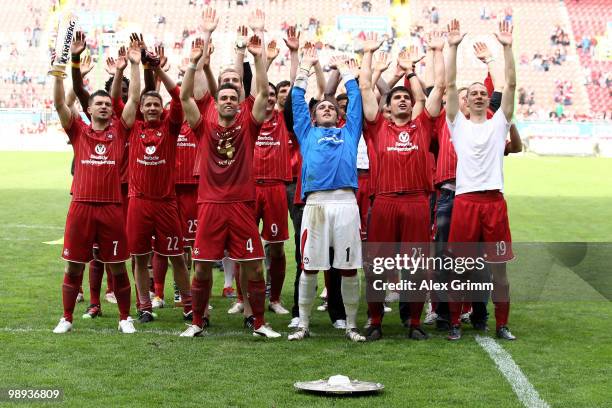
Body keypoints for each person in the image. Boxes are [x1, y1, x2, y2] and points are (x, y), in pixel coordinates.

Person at [179, 15, 281, 338]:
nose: (227, 101)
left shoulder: (248, 126)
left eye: (232, 98)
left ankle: (260, 323)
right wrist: (194, 64)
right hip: (209, 204)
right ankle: (197, 321)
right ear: (217, 103)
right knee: (201, 267)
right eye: (222, 98)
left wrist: (257, 58)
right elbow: (184, 98)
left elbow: (263, 94)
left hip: (241, 204)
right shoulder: (203, 127)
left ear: (238, 104)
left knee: (252, 264)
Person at [360, 31, 445, 341]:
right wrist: (368, 55)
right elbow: (366, 88)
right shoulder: (377, 127)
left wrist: (417, 68)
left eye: (406, 97)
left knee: (416, 267)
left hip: (416, 203)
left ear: (413, 104)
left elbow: (438, 92)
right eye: (397, 97)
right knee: (377, 265)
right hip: (383, 202)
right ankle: (375, 320)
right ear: (389, 104)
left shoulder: (423, 126)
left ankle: (414, 322)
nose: (402, 100)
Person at [445, 19, 517, 341]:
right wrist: (453, 47)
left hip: (494, 202)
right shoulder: (457, 124)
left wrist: (503, 50)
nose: (477, 95)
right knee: (460, 268)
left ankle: (502, 324)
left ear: (488, 99)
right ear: (466, 100)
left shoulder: (499, 123)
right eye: (472, 93)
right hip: (466, 202)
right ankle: (456, 323)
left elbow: (510, 87)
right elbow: (447, 87)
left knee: (499, 269)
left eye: (481, 93)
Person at [287, 47, 365, 342]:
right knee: (309, 267)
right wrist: (305, 71)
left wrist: (349, 76)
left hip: (346, 204)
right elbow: (296, 101)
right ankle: (304, 324)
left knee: (347, 268)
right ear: (313, 117)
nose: (327, 108)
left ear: (339, 114)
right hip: (316, 204)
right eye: (321, 108)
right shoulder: (306, 133)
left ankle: (351, 325)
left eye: (331, 107)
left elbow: (355, 103)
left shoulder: (349, 132)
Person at [51, 68, 135, 334]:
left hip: (111, 207)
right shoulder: (79, 131)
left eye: (107, 104)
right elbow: (59, 103)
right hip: (82, 207)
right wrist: (63, 73)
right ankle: (67, 317)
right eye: (98, 103)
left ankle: (124, 318)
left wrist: (130, 66)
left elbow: (133, 100)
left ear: (112, 110)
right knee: (74, 264)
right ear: (88, 108)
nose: (103, 107)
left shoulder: (120, 132)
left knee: (118, 265)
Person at [120, 35, 193, 324]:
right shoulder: (133, 127)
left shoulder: (171, 126)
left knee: (177, 256)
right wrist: (136, 66)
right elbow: (134, 97)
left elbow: (178, 97)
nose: (151, 108)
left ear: (160, 110)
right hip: (138, 202)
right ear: (141, 109)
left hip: (166, 203)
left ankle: (188, 304)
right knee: (138, 257)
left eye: (155, 105)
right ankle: (144, 305)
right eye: (147, 105)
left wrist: (157, 69)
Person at [253, 82, 292, 314]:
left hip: (276, 187)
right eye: (263, 94)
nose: (268, 98)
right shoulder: (249, 119)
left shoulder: (284, 119)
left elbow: (296, 90)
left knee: (276, 249)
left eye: (272, 95)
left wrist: (297, 55)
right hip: (249, 187)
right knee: (245, 248)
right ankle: (241, 298)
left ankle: (275, 299)